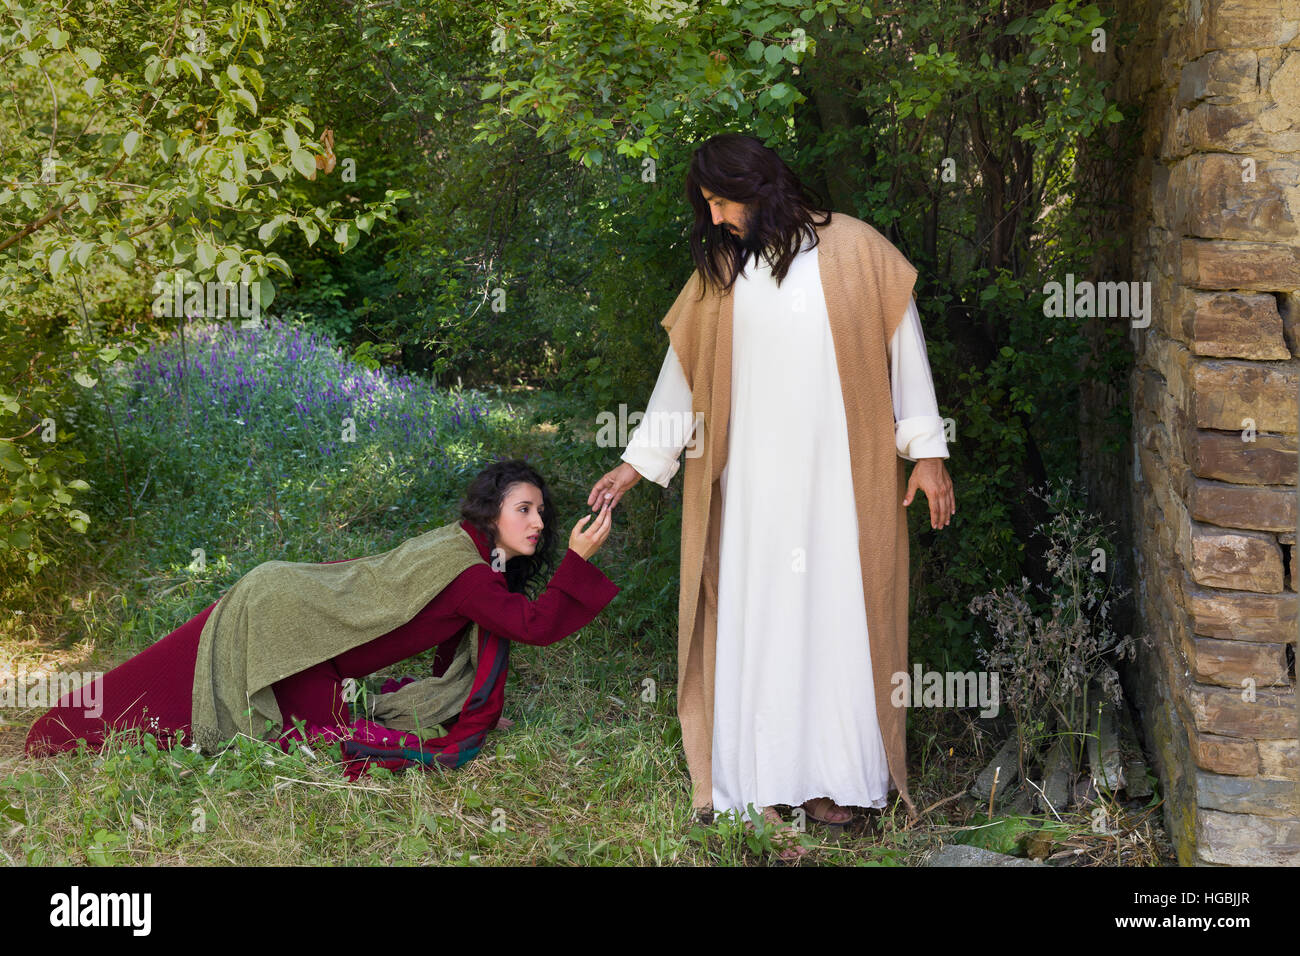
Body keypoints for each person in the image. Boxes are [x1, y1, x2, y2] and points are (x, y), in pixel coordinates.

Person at [587, 133, 956, 860]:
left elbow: (905, 351)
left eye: (722, 201)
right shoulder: (720, 273)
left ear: (758, 187)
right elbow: (681, 379)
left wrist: (929, 454)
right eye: (710, 206)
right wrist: (636, 464)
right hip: (753, 486)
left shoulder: (855, 249)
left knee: (841, 620)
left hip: (842, 481)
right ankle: (764, 782)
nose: (717, 217)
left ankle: (836, 781)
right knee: (761, 620)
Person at [26, 459, 618, 776]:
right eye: (523, 509)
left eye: (541, 511)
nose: (537, 523)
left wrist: (458, 705)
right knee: (194, 703)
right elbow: (534, 625)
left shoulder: (461, 550)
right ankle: (51, 733)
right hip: (287, 619)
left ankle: (59, 724)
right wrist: (579, 561)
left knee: (186, 693)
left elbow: (458, 643)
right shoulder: (469, 572)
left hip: (292, 612)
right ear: (492, 513)